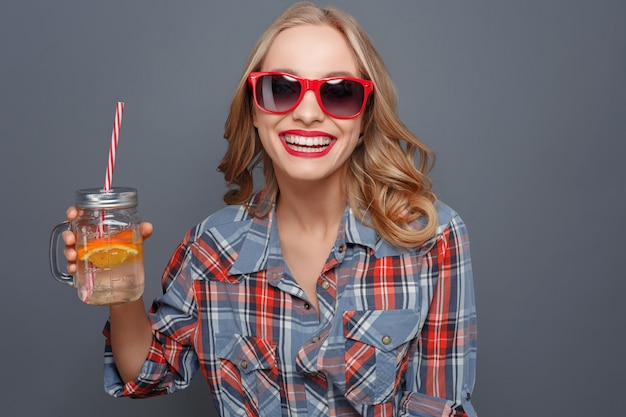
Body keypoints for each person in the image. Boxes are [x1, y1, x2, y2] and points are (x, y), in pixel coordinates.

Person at [62, 2, 478, 416]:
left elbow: (440, 406)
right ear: (255, 109)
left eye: (339, 92)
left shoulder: (431, 237)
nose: (308, 113)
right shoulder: (213, 246)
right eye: (282, 88)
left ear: (365, 117)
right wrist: (121, 284)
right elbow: (147, 372)